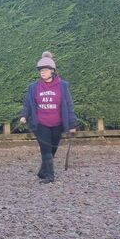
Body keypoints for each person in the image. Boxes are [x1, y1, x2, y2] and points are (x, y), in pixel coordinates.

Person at [19, 51, 77, 183]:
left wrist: (72, 125)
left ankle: (42, 171)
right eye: (40, 70)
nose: (42, 72)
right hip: (41, 124)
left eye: (45, 70)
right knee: (46, 150)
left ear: (52, 71)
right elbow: (27, 103)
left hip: (57, 124)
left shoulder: (63, 86)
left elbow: (69, 106)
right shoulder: (33, 87)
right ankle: (50, 176)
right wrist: (23, 115)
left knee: (53, 149)